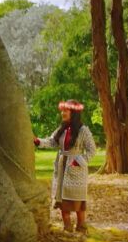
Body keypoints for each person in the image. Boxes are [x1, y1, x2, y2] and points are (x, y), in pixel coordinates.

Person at [34, 99, 96, 234]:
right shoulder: (61, 129)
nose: (62, 113)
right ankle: (67, 228)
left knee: (78, 200)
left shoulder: (83, 130)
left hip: (76, 168)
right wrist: (38, 141)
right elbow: (51, 142)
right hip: (62, 167)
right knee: (62, 199)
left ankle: (81, 227)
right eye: (62, 110)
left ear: (73, 112)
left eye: (66, 110)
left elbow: (92, 150)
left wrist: (78, 161)